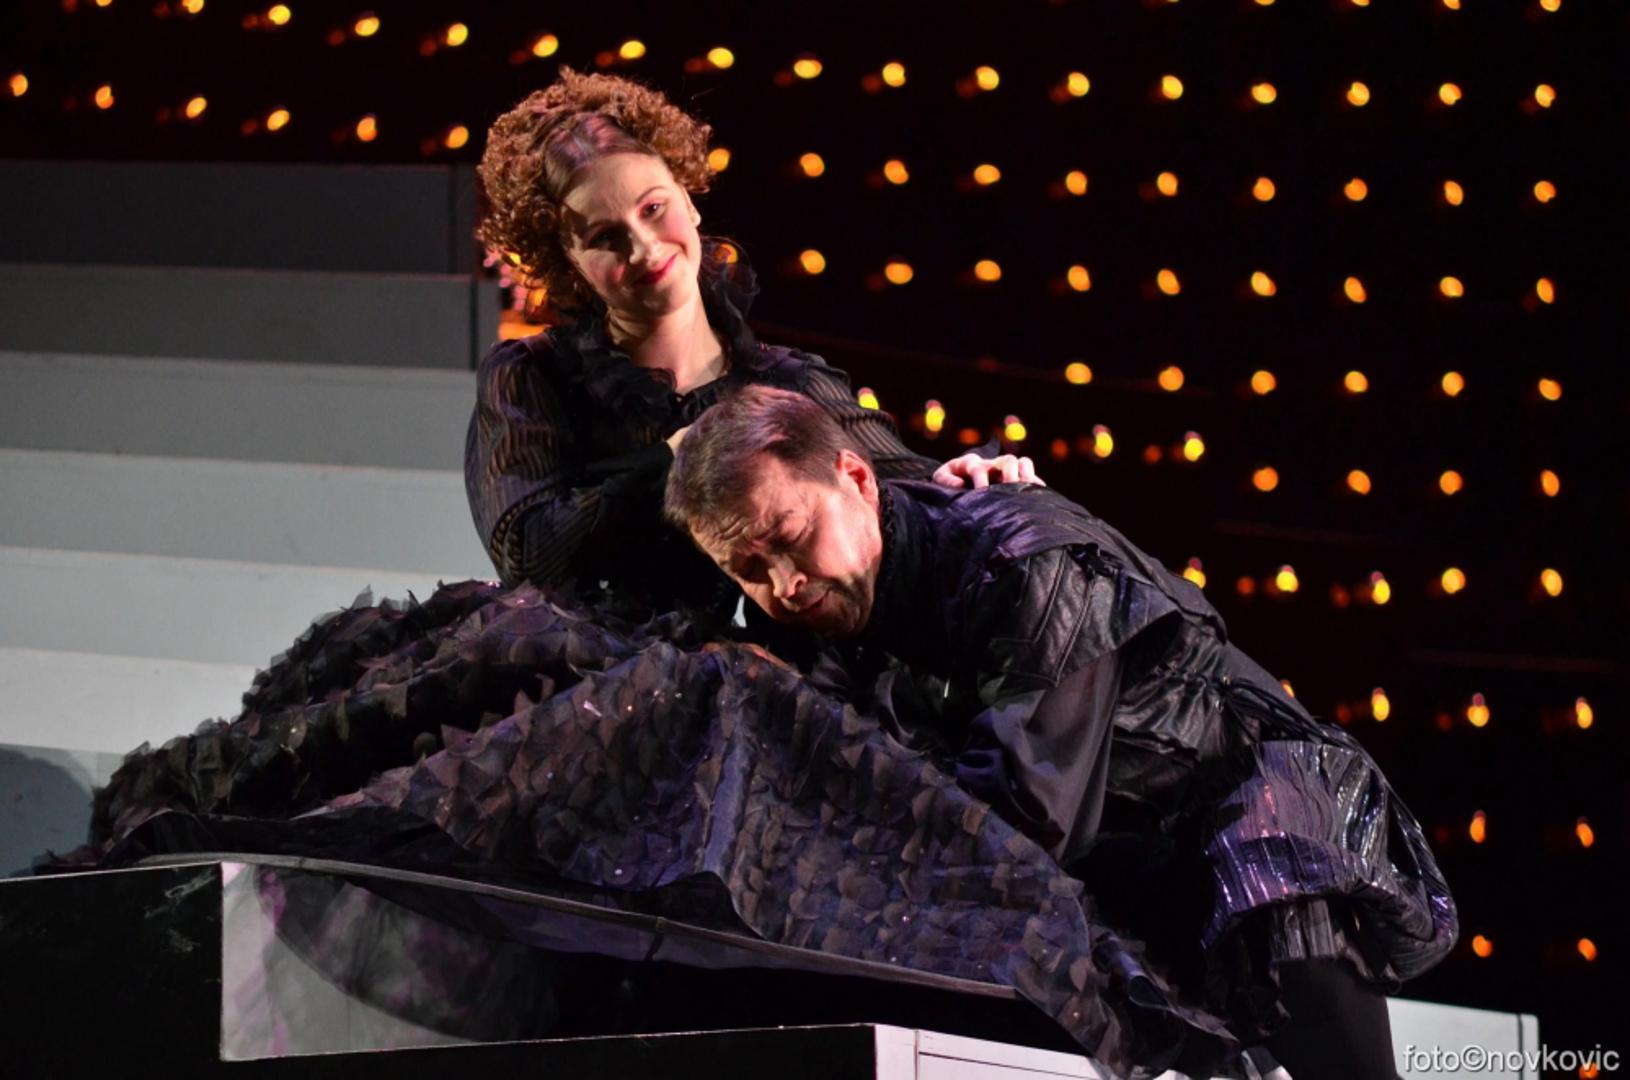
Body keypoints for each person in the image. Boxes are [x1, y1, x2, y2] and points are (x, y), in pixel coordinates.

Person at [664, 385, 1459, 1080]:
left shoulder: (1024, 559)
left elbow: (1023, 809)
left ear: (858, 479)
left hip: (1251, 815)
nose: (785, 583)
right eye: (749, 569)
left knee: (1316, 1016)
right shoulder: (832, 615)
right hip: (1122, 863)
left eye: (791, 536)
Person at [467, 67, 1039, 624]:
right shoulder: (534, 376)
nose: (644, 248)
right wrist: (674, 456)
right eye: (604, 237)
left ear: (689, 199)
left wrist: (973, 475)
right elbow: (527, 555)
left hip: (756, 677)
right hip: (593, 674)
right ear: (569, 265)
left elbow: (898, 481)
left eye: (653, 209)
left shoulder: (787, 382)